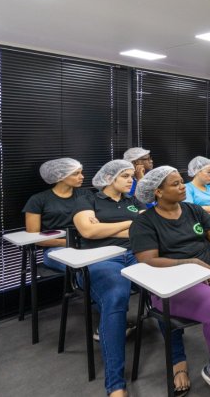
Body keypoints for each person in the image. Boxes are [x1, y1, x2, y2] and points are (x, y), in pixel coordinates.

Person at [130, 166, 210, 397]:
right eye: (176, 184)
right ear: (158, 192)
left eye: (181, 182)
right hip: (172, 282)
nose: (182, 187)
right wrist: (189, 264)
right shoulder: (144, 223)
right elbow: (146, 259)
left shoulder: (193, 210)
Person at [72, 160, 150, 397]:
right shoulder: (88, 198)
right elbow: (88, 231)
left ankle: (177, 362)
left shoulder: (133, 201)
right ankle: (115, 385)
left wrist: (107, 226)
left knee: (165, 288)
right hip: (101, 259)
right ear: (109, 178)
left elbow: (147, 228)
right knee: (116, 296)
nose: (131, 180)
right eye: (125, 176)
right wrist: (130, 223)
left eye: (131, 176)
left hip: (136, 253)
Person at [23, 158, 88, 272]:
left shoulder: (85, 194)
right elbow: (33, 238)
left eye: (81, 173)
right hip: (55, 250)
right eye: (76, 174)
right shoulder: (38, 200)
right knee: (84, 269)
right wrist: (68, 242)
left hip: (86, 244)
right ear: (60, 176)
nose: (82, 177)